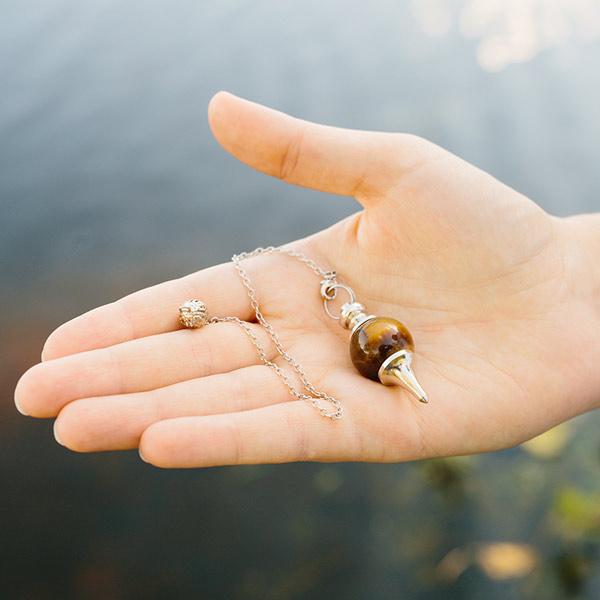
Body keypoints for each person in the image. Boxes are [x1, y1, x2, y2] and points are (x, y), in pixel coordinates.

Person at [13, 92, 600, 468]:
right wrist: (570, 273)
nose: (401, 368)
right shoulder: (374, 337)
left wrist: (565, 275)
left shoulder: (380, 338)